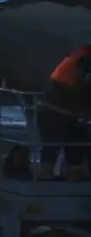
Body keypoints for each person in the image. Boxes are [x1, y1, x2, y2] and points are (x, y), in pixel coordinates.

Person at [37, 45, 91, 179]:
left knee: (75, 139)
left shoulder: (76, 59)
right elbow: (85, 90)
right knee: (55, 145)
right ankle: (49, 177)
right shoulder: (86, 62)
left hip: (55, 109)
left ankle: (72, 173)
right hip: (55, 111)